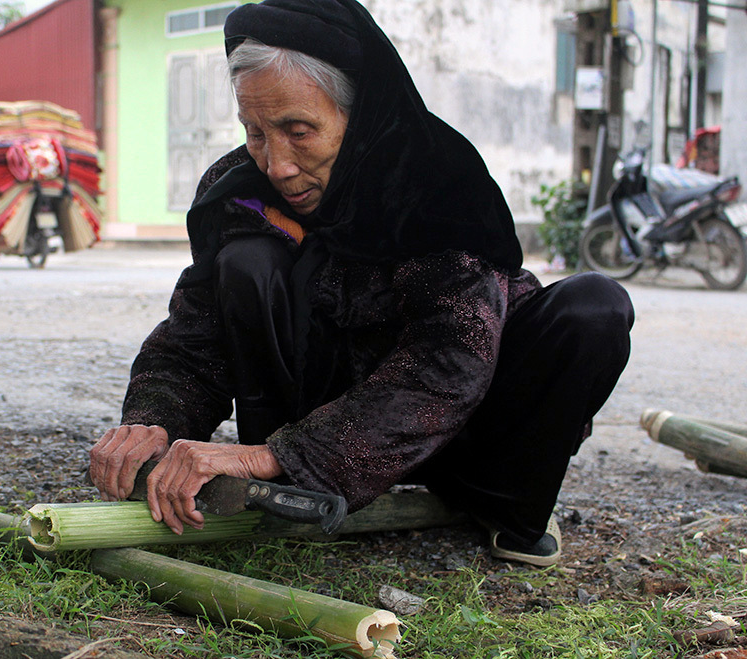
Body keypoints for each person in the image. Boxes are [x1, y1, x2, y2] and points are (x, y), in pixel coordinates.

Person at [89, 0, 634, 567]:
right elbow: (197, 332)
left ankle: (500, 504)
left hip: (458, 431)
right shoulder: (242, 187)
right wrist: (153, 422)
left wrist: (276, 458)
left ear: (362, 112)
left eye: (299, 131)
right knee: (247, 261)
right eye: (256, 132)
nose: (276, 163)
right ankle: (294, 484)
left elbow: (446, 365)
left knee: (594, 309)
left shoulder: (437, 182)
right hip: (314, 428)